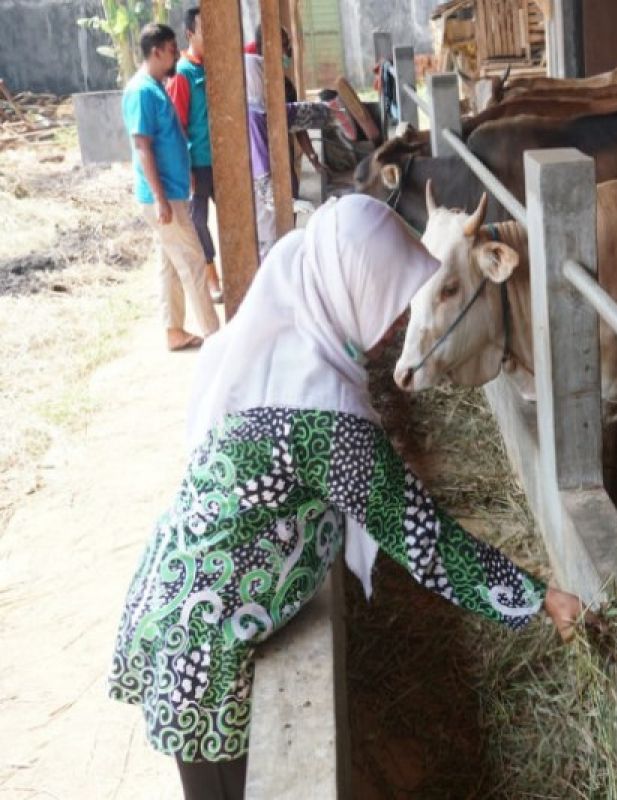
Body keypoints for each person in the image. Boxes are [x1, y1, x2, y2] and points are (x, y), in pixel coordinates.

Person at [108, 194, 582, 799]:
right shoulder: (325, 421)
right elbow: (424, 541)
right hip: (208, 654)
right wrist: (536, 597)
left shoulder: (281, 350)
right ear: (349, 289)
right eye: (387, 299)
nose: (392, 328)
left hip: (177, 607)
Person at [123, 23, 220, 351]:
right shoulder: (140, 91)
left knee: (169, 263)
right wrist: (162, 198)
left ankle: (174, 331)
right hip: (162, 196)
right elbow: (143, 147)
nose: (175, 55)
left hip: (171, 191)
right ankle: (215, 336)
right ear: (156, 52)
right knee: (193, 261)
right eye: (170, 49)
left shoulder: (155, 86)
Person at [244, 51, 352, 260]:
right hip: (265, 212)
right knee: (272, 257)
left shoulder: (266, 110)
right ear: (255, 80)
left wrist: (334, 112)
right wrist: (291, 203)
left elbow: (301, 114)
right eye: (263, 76)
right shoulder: (252, 119)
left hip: (280, 202)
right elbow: (265, 186)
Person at [166, 7, 222, 303]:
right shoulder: (182, 75)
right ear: (190, 34)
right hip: (196, 164)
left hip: (222, 161)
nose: (211, 37)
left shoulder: (214, 67)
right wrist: (184, 168)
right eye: (205, 31)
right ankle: (212, 277)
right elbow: (178, 126)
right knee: (198, 220)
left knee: (232, 217)